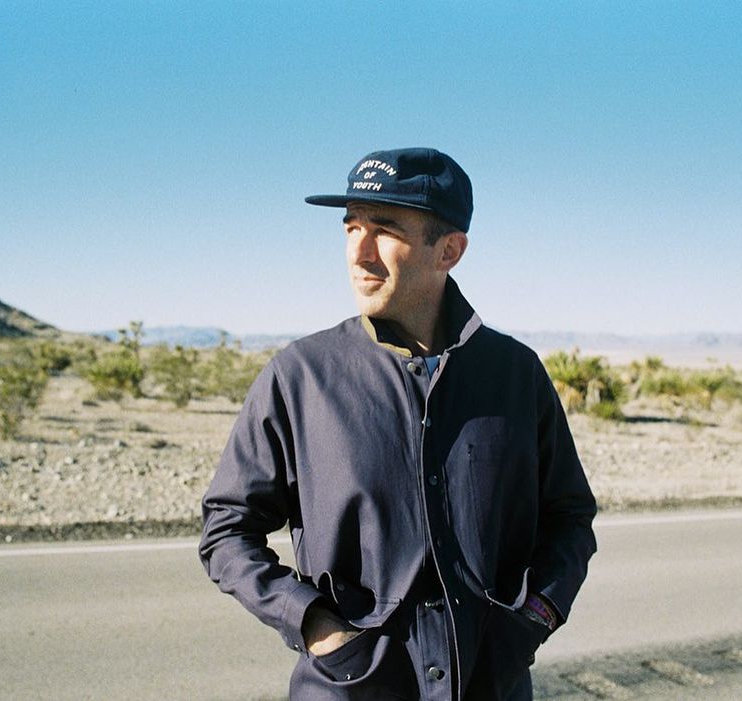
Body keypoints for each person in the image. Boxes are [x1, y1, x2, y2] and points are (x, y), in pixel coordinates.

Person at [199, 148, 597, 700]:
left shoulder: (515, 375)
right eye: (351, 228)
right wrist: (315, 626)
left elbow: (569, 518)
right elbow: (227, 530)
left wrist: (536, 613)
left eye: (384, 230)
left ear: (449, 250)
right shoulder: (301, 377)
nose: (358, 253)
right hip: (350, 689)